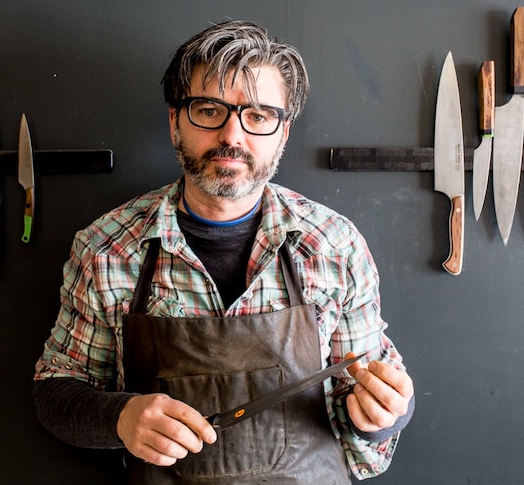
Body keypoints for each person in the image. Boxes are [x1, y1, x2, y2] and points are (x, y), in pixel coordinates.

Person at [33, 19, 414, 484]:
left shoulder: (335, 245)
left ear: (284, 132)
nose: (233, 136)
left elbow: (370, 392)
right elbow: (56, 392)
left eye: (258, 115)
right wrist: (120, 417)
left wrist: (382, 414)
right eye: (210, 110)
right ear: (175, 121)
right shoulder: (107, 249)